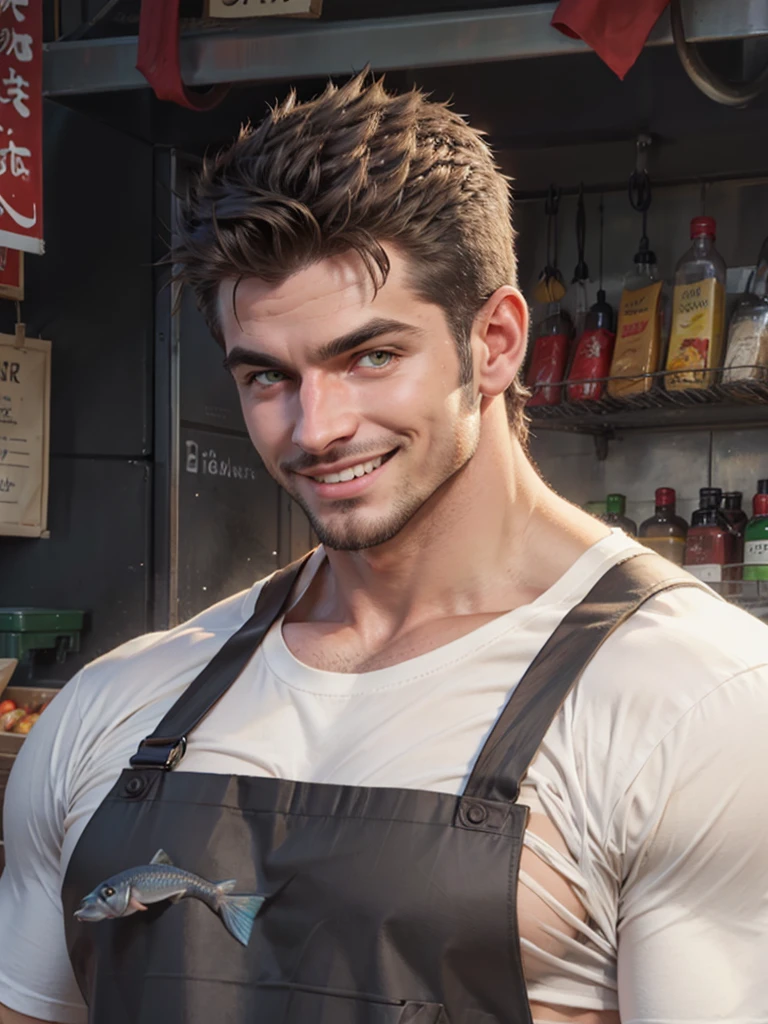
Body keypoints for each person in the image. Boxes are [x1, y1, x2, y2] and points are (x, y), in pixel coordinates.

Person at [0, 72, 766, 1024]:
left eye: (371, 356)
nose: (314, 428)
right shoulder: (111, 709)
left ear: (494, 341)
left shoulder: (695, 705)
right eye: (267, 376)